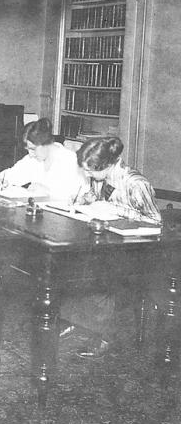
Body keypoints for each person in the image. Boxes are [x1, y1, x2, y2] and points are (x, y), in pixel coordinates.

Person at [59, 136, 161, 359]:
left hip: (139, 249)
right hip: (112, 241)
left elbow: (155, 222)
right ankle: (77, 321)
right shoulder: (100, 178)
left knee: (101, 274)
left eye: (90, 171)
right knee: (72, 264)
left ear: (108, 164)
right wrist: (86, 200)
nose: (87, 175)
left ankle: (104, 336)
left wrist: (118, 209)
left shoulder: (136, 183)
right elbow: (98, 199)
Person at [0, 117, 85, 202]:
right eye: (28, 150)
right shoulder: (32, 160)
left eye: (33, 149)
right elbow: (12, 174)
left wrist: (48, 191)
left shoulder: (70, 160)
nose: (30, 155)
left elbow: (80, 195)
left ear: (46, 143)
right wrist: (5, 180)